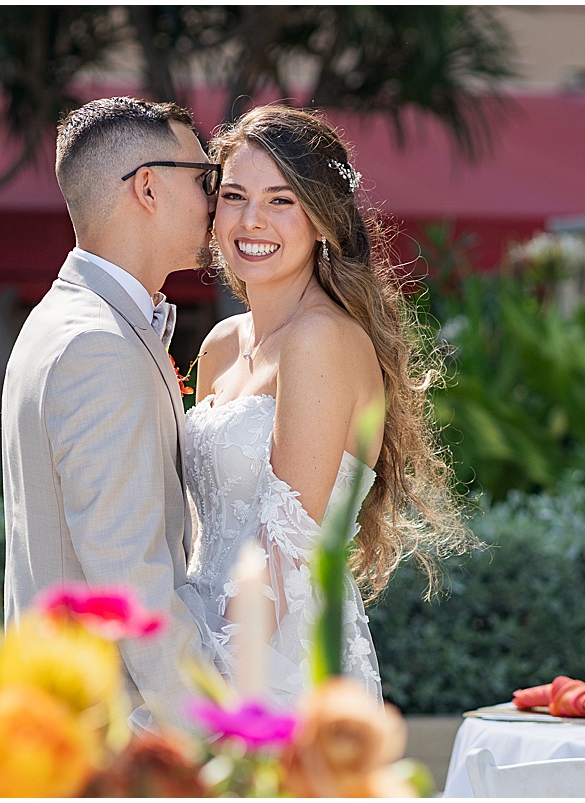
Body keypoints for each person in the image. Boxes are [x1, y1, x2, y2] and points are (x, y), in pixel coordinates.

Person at [184, 105, 472, 707]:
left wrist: (205, 697)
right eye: (234, 195)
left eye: (281, 200)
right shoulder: (218, 348)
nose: (251, 219)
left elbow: (283, 547)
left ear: (322, 220)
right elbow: (196, 530)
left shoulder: (321, 340)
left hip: (275, 668)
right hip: (197, 642)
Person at [1, 97, 220, 731]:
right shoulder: (98, 344)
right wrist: (213, 731)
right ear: (148, 187)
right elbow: (129, 577)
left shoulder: (64, 322)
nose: (215, 198)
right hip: (116, 732)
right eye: (203, 177)